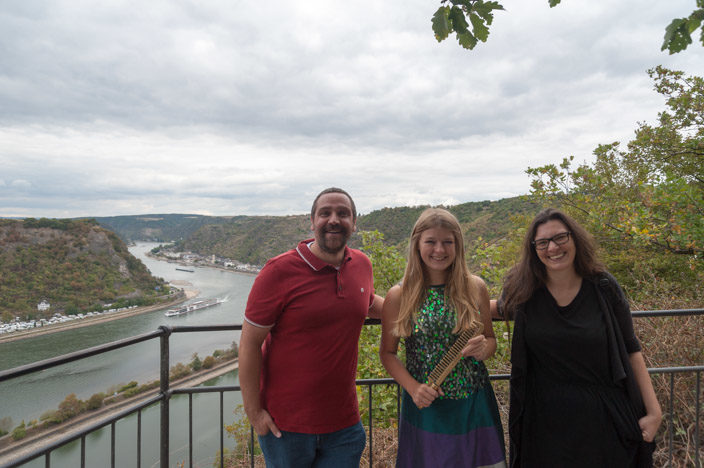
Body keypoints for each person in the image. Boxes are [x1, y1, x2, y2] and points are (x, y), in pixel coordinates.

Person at [495, 208, 662, 467]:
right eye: (543, 242)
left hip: (605, 421)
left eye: (560, 237)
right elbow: (494, 307)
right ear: (534, 249)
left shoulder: (603, 287)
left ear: (575, 238)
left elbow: (632, 349)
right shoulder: (524, 291)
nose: (553, 247)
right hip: (545, 425)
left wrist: (654, 412)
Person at [239, 187, 384, 468]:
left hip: (344, 425)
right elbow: (249, 343)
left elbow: (368, 301)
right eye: (325, 213)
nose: (333, 220)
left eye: (343, 214)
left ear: (354, 223)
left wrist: (420, 306)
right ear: (312, 221)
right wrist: (254, 412)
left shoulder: (361, 264)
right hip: (286, 427)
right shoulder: (278, 271)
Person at [380, 208, 507, 467]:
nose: (439, 250)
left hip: (474, 403)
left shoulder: (476, 287)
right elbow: (388, 353)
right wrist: (414, 388)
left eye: (447, 242)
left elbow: (490, 339)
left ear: (457, 245)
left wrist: (484, 349)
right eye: (431, 242)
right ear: (417, 244)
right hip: (426, 406)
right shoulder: (399, 295)